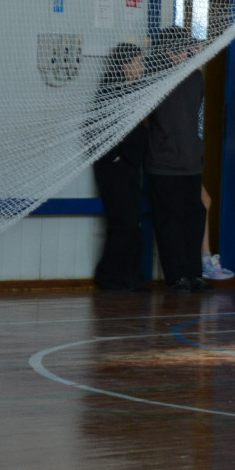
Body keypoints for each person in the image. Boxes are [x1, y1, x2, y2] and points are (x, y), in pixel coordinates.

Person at [145, 26, 209, 293]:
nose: (185, 53)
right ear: (169, 50)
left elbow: (198, 118)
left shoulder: (196, 77)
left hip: (191, 161)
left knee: (194, 218)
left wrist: (198, 149)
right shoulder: (154, 77)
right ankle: (176, 276)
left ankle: (195, 273)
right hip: (164, 163)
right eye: (181, 48)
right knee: (169, 222)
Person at [88, 42, 146, 292]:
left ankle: (130, 279)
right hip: (114, 170)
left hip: (131, 167)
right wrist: (114, 158)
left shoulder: (136, 92)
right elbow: (95, 131)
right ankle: (110, 277)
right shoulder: (109, 92)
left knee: (132, 224)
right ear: (125, 65)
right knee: (123, 224)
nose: (142, 67)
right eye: (138, 62)